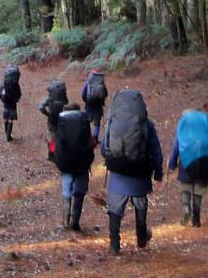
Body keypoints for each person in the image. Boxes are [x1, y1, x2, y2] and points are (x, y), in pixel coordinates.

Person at [100, 89, 163, 254]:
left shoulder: (111, 122)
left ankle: (114, 244)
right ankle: (141, 237)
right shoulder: (146, 124)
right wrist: (158, 172)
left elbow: (103, 148)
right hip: (140, 171)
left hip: (118, 172)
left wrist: (112, 159)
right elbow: (156, 150)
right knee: (140, 204)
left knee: (115, 208)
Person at [167, 109, 208, 227]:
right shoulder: (206, 131)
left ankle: (186, 211)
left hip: (186, 163)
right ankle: (196, 217)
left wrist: (172, 164)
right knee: (199, 189)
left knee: (185, 186)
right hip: (204, 162)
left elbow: (176, 148)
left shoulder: (183, 131)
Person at [53, 103, 95, 231]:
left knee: (67, 188)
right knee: (79, 191)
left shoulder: (61, 123)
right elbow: (91, 143)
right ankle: (75, 222)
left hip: (66, 162)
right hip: (82, 162)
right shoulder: (83, 122)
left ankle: (66, 219)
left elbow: (55, 145)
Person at [80, 67, 108, 141]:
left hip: (89, 106)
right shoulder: (102, 83)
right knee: (97, 124)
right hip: (98, 107)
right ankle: (95, 138)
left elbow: (83, 94)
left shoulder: (88, 82)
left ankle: (86, 138)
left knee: (86, 122)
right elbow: (106, 93)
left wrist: (86, 100)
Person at [38, 79, 68, 144]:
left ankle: (53, 151)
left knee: (53, 138)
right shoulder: (65, 99)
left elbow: (41, 107)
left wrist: (47, 114)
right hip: (63, 120)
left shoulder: (49, 99)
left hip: (52, 120)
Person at [0, 64, 22, 142]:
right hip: (13, 103)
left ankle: (6, 134)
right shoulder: (16, 84)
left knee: (5, 118)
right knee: (11, 119)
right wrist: (17, 99)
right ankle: (9, 135)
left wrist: (2, 99)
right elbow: (19, 93)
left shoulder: (4, 83)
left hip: (6, 103)